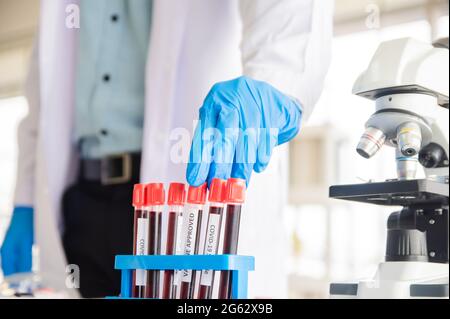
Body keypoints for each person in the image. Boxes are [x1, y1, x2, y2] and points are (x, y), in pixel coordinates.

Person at [0, 0, 332, 298]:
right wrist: (26, 199)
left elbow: (288, 11)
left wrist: (274, 83)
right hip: (81, 203)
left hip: (175, 201)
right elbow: (44, 84)